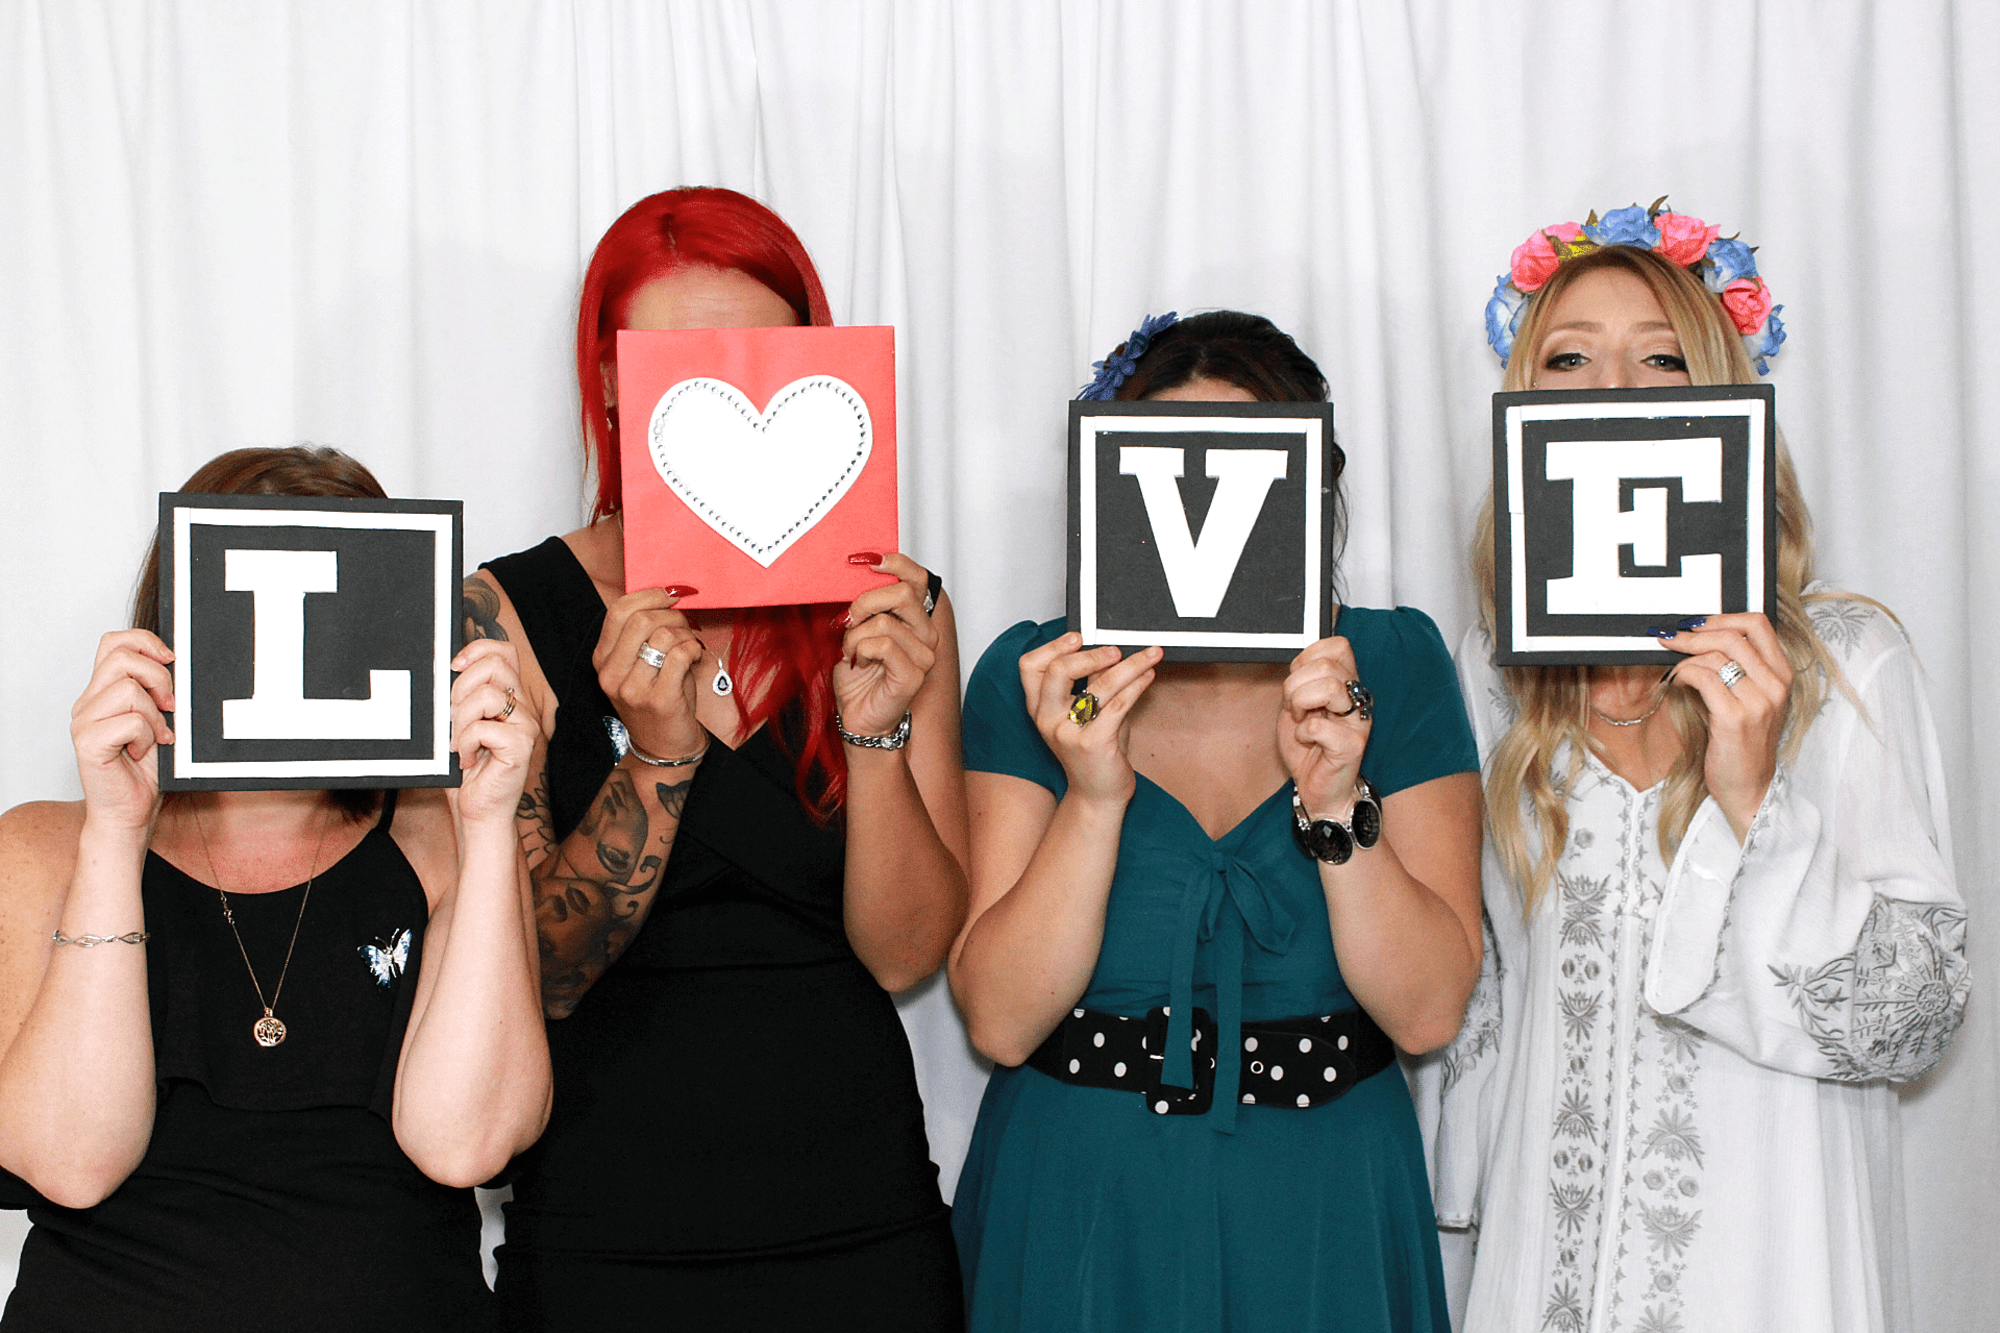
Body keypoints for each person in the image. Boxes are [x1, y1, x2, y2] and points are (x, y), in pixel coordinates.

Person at [1421, 204, 1968, 1333]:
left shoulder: (1844, 663)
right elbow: (1483, 1006)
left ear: (1717, 393)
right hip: (1544, 1254)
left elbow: (1913, 1024)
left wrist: (1753, 794)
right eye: (1567, 357)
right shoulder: (1492, 675)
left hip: (1772, 1253)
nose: (1611, 387)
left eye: (1656, 356)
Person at [471, 186, 969, 1332]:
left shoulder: (897, 607)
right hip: (603, 1227)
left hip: (857, 1223)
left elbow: (906, 954)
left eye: (760, 353)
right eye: (674, 356)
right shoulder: (504, 609)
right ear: (606, 378)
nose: (721, 382)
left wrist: (875, 735)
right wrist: (653, 761)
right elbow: (532, 972)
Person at [948, 310, 1484, 1332]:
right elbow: (1001, 1018)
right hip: (1080, 1201)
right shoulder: (1037, 675)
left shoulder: (1389, 663)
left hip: (1321, 1200)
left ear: (1304, 492)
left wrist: (1334, 805)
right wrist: (1093, 796)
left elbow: (1424, 1012)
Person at [0, 445, 551, 1331]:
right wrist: (114, 831)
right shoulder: (44, 847)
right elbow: (71, 1159)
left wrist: (487, 823)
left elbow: (469, 1142)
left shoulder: (440, 844)